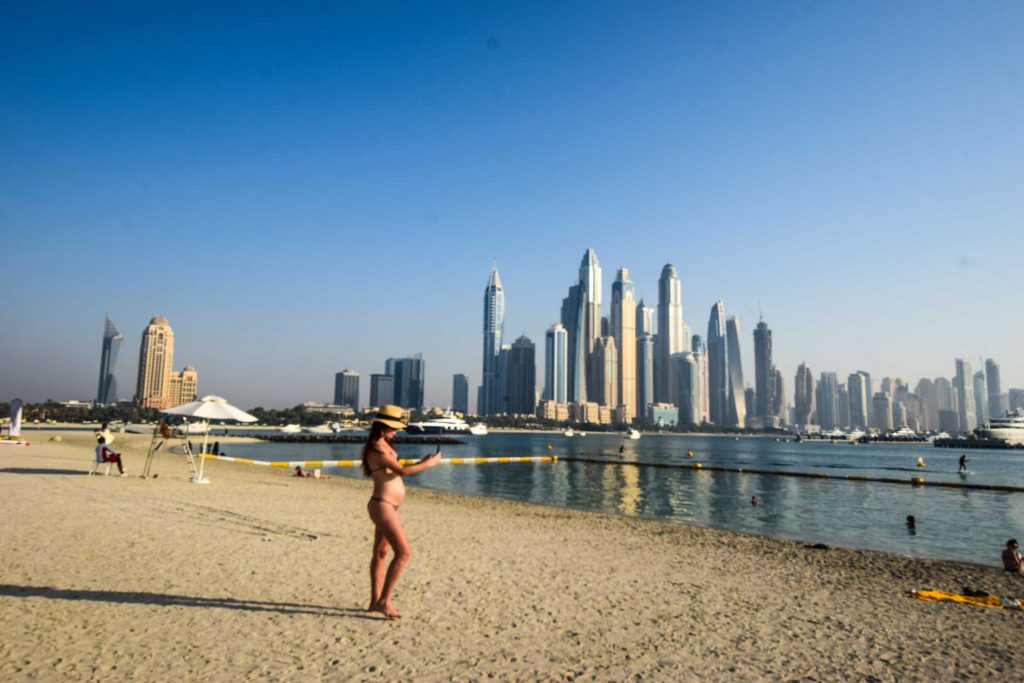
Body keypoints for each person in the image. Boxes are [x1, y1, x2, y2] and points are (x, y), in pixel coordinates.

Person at [362, 405, 442, 619]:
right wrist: (430, 464)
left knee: (381, 553)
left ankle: (374, 602)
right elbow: (402, 472)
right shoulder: (376, 449)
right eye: (393, 428)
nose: (396, 432)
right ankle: (384, 602)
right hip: (383, 504)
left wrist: (422, 462)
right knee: (404, 553)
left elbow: (395, 472)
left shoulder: (384, 446)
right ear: (383, 427)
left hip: (387, 505)